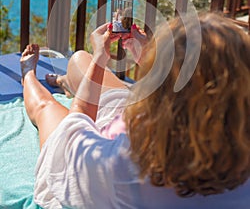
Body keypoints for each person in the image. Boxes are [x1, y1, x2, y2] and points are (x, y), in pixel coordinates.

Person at [20, 13, 250, 209]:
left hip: (98, 144)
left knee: (45, 107)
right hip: (132, 124)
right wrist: (148, 56)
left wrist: (101, 57)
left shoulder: (123, 166)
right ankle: (65, 81)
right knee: (79, 60)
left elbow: (75, 128)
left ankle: (27, 73)